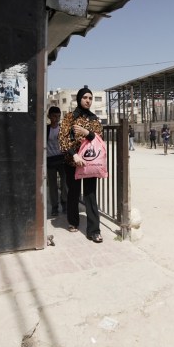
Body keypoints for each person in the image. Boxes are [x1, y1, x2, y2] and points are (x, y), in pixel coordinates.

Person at [59, 87, 104, 243]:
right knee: (74, 192)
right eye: (85, 97)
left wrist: (87, 133)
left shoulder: (94, 119)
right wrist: (74, 154)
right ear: (79, 99)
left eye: (90, 98)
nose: (88, 100)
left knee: (91, 195)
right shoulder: (70, 117)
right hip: (73, 162)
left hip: (90, 162)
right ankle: (73, 221)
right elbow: (63, 138)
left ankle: (94, 230)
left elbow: (99, 137)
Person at [46, 106, 67, 217]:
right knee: (52, 185)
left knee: (65, 183)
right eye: (54, 116)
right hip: (50, 160)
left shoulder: (62, 129)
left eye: (58, 116)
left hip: (62, 159)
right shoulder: (46, 129)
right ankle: (55, 206)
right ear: (49, 116)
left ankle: (64, 202)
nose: (57, 118)